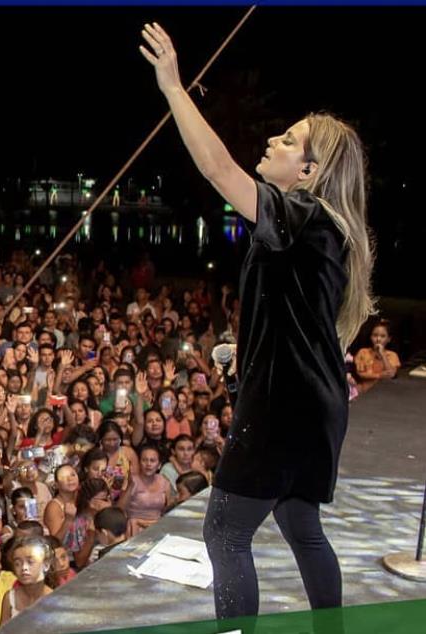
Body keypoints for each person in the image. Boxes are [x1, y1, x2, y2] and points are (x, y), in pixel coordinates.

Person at [141, 22, 374, 618]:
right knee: (301, 525)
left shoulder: (303, 215)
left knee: (225, 533)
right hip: (316, 407)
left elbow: (219, 171)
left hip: (285, 409)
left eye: (290, 140)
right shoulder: (318, 228)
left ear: (309, 172)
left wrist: (172, 87)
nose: (273, 139)